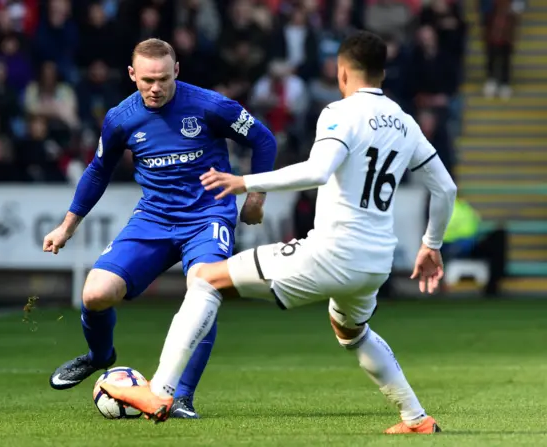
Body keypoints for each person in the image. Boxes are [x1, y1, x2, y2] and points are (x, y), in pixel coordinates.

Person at [98, 31, 458, 434]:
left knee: (204, 279)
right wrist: (431, 244)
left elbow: (317, 171)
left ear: (342, 73)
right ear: (383, 73)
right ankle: (415, 417)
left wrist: (245, 182)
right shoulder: (405, 123)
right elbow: (446, 188)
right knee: (351, 332)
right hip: (376, 263)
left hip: (332, 253)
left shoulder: (339, 113)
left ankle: (161, 391)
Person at [43, 38, 277, 419]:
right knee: (95, 294)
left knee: (205, 289)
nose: (156, 88)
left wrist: (255, 195)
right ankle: (99, 355)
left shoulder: (210, 105)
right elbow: (98, 170)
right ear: (133, 75)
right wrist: (67, 226)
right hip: (153, 217)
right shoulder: (121, 117)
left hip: (207, 216)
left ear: (176, 72)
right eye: (148, 79)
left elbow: (263, 138)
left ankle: (181, 397)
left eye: (164, 79)